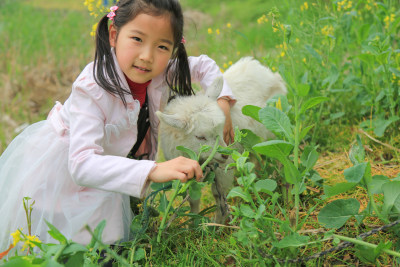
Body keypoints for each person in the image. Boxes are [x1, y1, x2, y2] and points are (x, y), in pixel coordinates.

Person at [0, 0, 236, 251]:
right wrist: (153, 169)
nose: (147, 56)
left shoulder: (160, 70)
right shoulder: (92, 89)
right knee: (65, 239)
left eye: (162, 46)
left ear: (173, 49)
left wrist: (223, 100)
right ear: (114, 35)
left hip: (106, 164)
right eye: (137, 39)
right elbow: (82, 165)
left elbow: (204, 67)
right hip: (65, 169)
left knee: (109, 226)